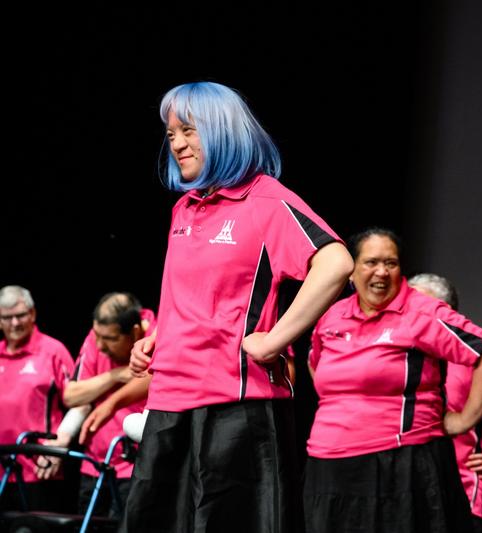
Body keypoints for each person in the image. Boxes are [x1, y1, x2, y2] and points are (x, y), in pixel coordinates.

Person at [123, 81, 353, 533]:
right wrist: (159, 337)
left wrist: (276, 339)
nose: (178, 144)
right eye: (171, 134)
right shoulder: (185, 208)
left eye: (188, 130)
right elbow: (195, 295)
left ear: (221, 130)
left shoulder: (266, 199)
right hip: (170, 402)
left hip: (236, 409)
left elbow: (336, 262)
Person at [303, 229, 482, 533]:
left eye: (391, 263)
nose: (382, 272)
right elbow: (315, 364)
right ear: (351, 271)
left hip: (399, 462)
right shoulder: (332, 317)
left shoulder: (421, 312)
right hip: (328, 461)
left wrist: (466, 419)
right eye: (371, 262)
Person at [408, 273, 482, 533]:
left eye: (418, 304)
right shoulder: (399, 362)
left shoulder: (474, 363)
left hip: (464, 493)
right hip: (412, 489)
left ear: (445, 312)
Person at [56, 292, 155, 519]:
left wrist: (111, 399)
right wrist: (115, 375)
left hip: (137, 468)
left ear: (135, 332)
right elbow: (72, 396)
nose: (99, 345)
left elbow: (155, 378)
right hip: (95, 465)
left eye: (109, 339)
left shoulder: (157, 337)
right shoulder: (96, 339)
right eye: (96, 336)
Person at [0, 285, 74, 512]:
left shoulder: (53, 351)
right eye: (7, 317)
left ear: (32, 314)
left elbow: (79, 402)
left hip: (39, 470)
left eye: (20, 315)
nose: (15, 323)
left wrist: (58, 447)